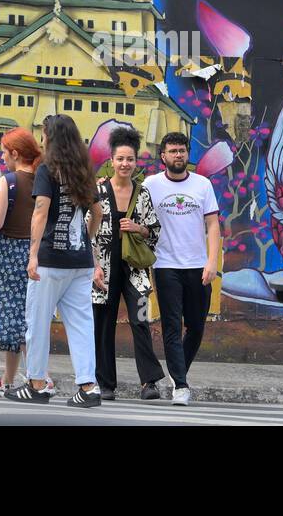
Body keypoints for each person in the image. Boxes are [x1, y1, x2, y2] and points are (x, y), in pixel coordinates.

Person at [6, 114, 103, 408]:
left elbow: (40, 212)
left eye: (44, 134)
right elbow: (97, 214)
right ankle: (88, 387)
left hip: (50, 260)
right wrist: (86, 241)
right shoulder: (85, 171)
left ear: (52, 138)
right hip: (80, 261)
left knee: (37, 323)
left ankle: (36, 384)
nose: (42, 139)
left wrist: (33, 255)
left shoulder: (48, 170)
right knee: (82, 325)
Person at [142, 131, 222, 406]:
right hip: (165, 265)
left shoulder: (202, 185)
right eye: (173, 151)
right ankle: (181, 385)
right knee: (172, 327)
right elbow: (137, 211)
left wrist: (212, 261)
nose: (178, 155)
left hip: (198, 265)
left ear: (188, 154)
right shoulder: (151, 185)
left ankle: (178, 373)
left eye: (182, 151)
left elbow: (213, 226)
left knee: (197, 327)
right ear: (163, 156)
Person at [91, 126, 166, 401]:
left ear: (136, 162)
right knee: (103, 323)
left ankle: (149, 382)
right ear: (111, 160)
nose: (125, 164)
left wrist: (138, 228)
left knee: (141, 320)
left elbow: (154, 231)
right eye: (120, 158)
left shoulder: (142, 193)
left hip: (136, 271)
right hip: (104, 269)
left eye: (130, 159)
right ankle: (105, 383)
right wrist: (94, 266)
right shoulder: (97, 190)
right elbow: (87, 232)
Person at [0, 127, 42, 395]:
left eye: (4, 152)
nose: (2, 157)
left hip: (9, 254)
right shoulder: (44, 178)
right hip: (36, 253)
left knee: (11, 318)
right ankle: (8, 379)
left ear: (15, 153)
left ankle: (37, 377)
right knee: (31, 317)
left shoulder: (9, 180)